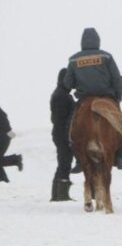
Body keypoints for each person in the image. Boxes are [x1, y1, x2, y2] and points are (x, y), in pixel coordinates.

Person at [63, 27, 122, 170]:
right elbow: (116, 79)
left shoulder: (74, 59)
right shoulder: (107, 56)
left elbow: (67, 83)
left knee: (71, 126)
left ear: (82, 42)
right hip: (107, 97)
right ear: (98, 41)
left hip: (84, 98)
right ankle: (119, 157)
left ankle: (78, 161)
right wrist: (119, 95)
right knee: (121, 125)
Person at [50, 68, 76, 200]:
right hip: (62, 134)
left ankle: (57, 194)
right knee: (65, 162)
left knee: (63, 162)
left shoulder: (61, 94)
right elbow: (62, 119)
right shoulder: (62, 96)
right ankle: (61, 194)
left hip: (60, 133)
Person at [0, 106, 23, 183]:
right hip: (6, 135)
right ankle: (3, 179)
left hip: (3, 136)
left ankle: (15, 160)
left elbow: (5, 125)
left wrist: (9, 133)